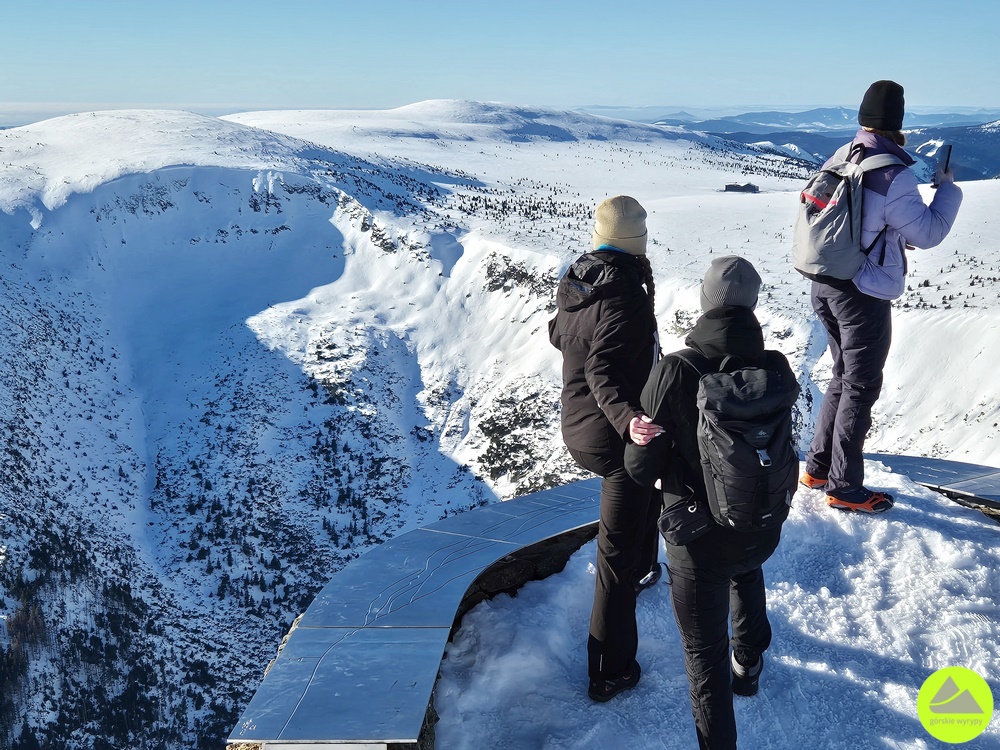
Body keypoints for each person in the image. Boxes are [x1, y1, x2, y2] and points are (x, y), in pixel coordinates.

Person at [625, 256, 784, 750]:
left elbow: (639, 469)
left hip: (697, 540)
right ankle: (750, 662)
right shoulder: (774, 367)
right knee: (746, 570)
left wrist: (642, 436)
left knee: (702, 656)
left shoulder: (677, 370)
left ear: (704, 302)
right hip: (761, 525)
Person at [801, 80, 963, 513]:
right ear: (899, 122)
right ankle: (845, 487)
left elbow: (860, 221)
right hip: (862, 292)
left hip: (825, 280)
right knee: (861, 386)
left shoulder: (841, 156)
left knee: (842, 376)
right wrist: (947, 188)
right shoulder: (892, 173)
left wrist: (888, 235)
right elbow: (928, 233)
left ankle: (818, 468)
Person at [548, 195, 663, 702]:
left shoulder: (580, 279)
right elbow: (603, 370)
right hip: (611, 436)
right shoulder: (626, 295)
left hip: (576, 425)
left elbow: (560, 334)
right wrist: (629, 419)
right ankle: (609, 671)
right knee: (611, 559)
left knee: (648, 487)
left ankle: (644, 567)